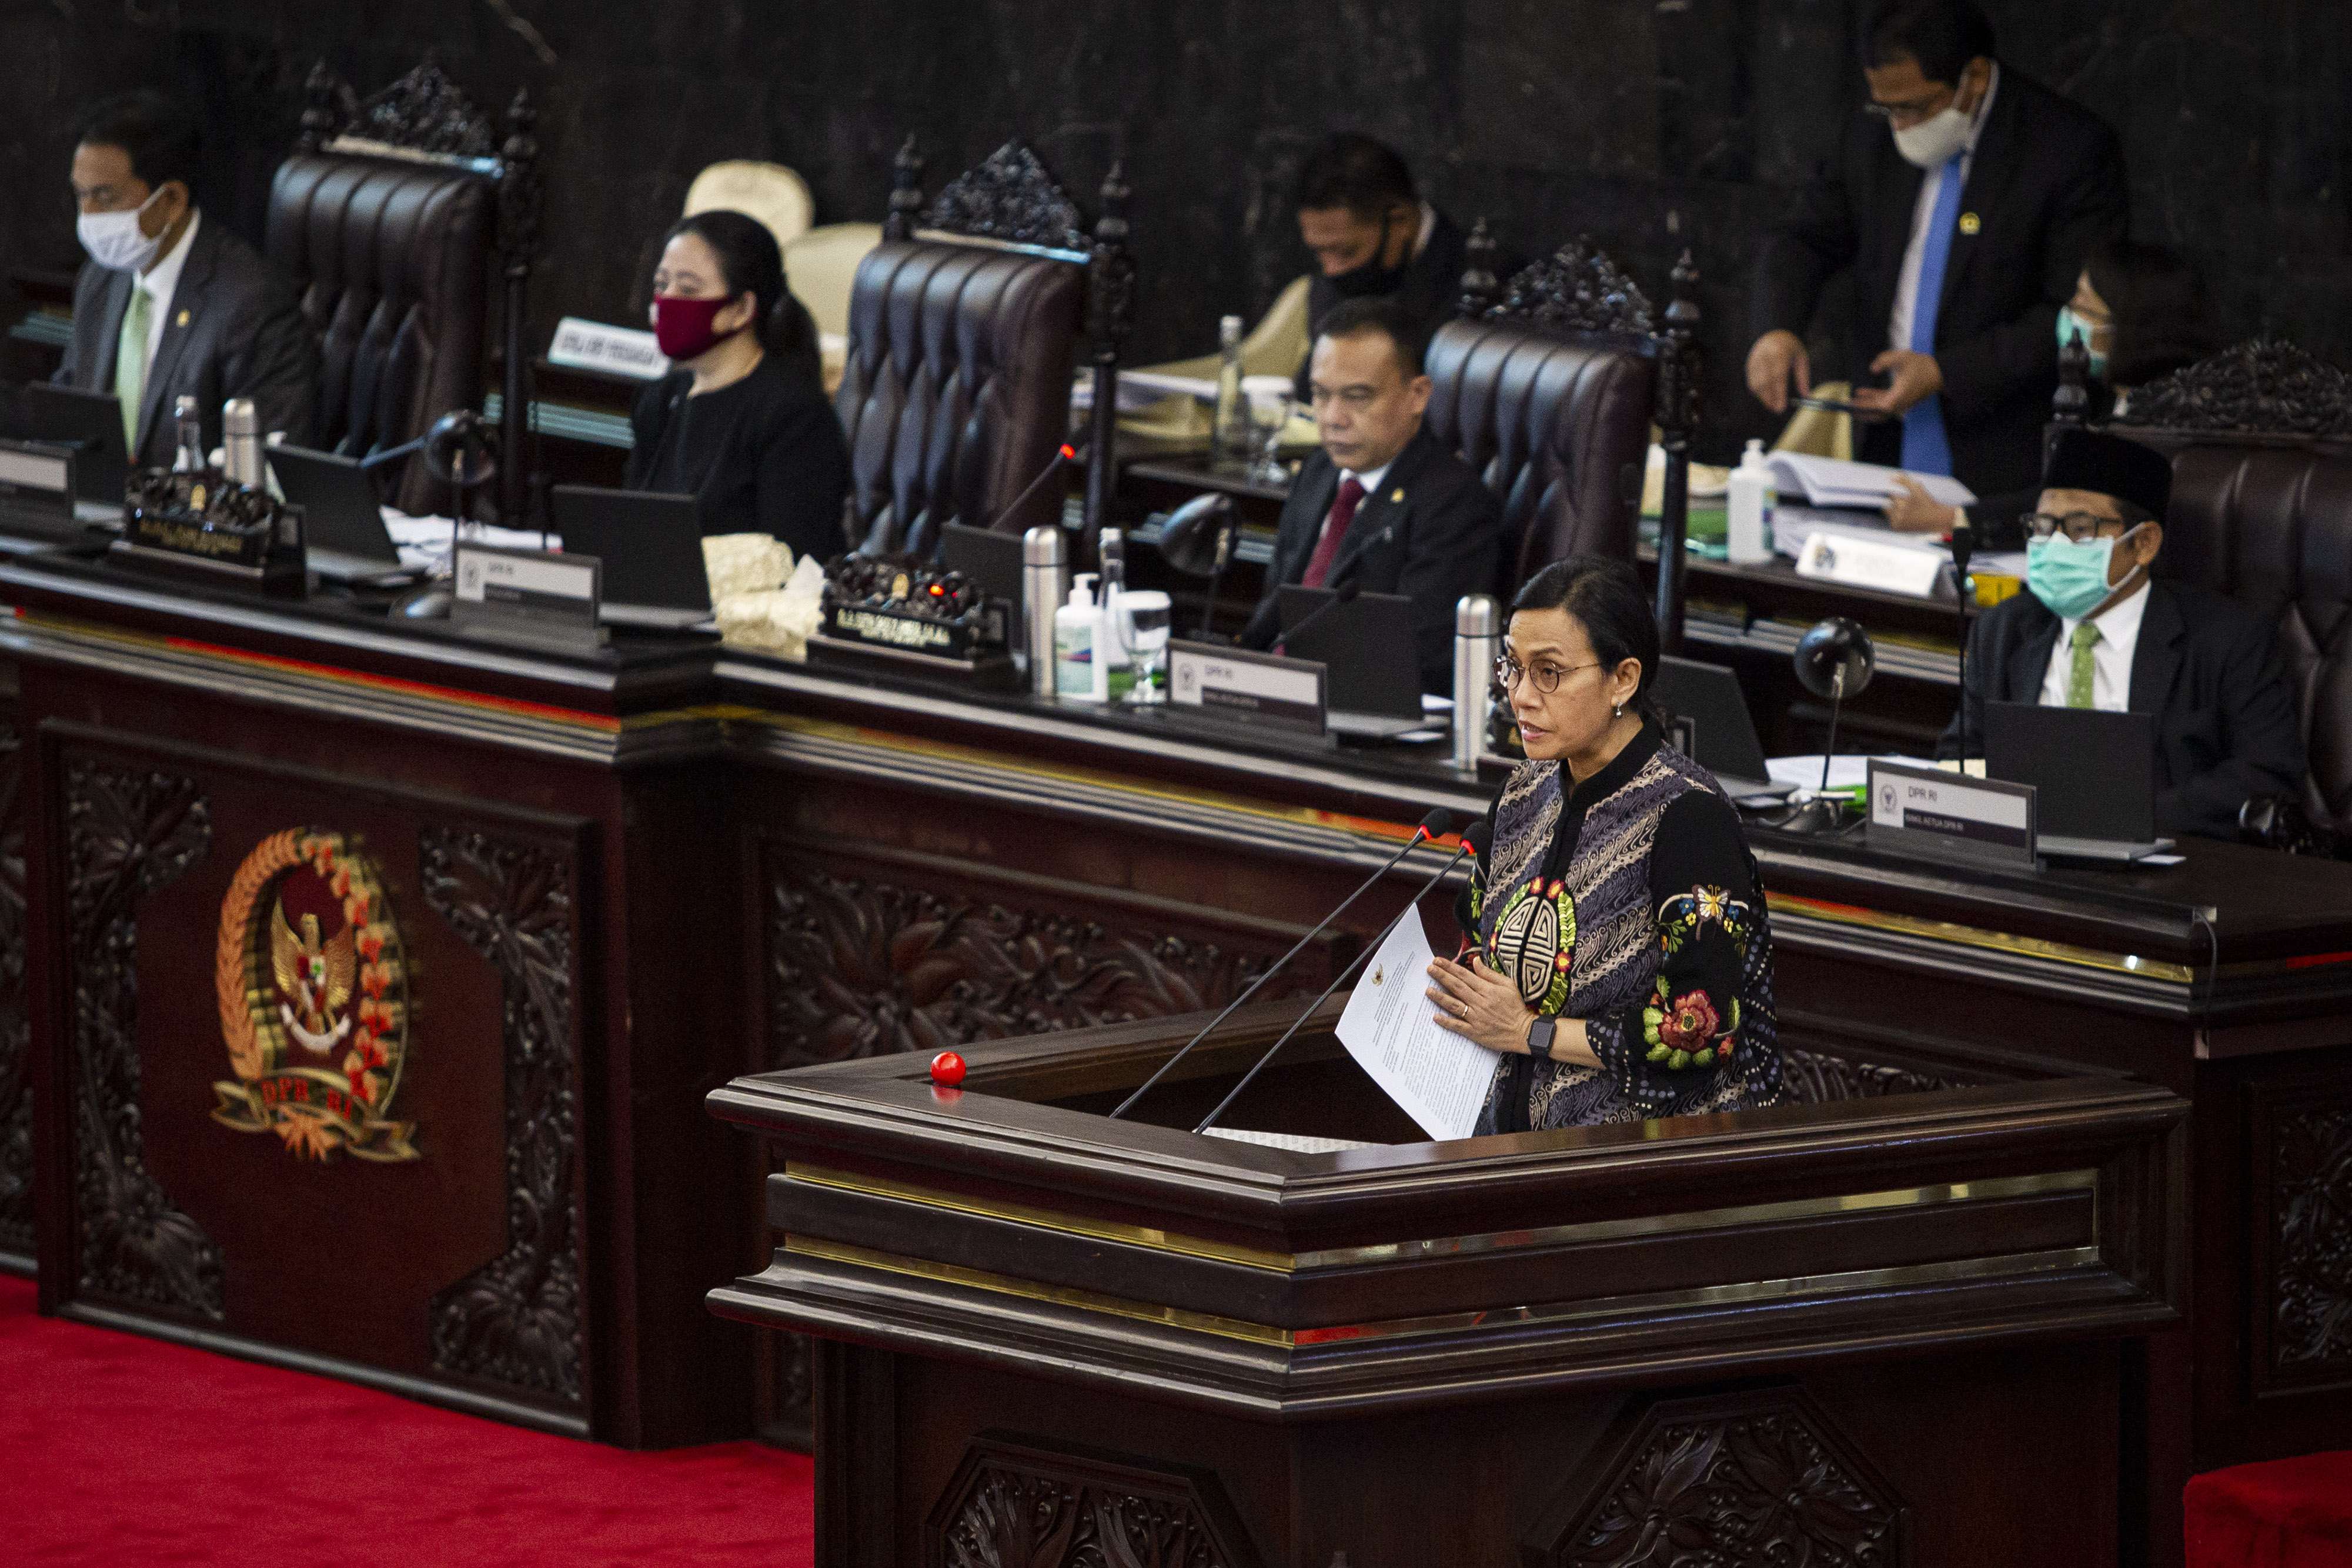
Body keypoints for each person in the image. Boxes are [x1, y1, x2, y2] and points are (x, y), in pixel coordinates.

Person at [1427, 557, 1785, 1132]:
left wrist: (1527, 1032)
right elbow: (1476, 936)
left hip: (1639, 1164)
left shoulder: (1687, 816)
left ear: (1623, 679)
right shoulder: (1522, 792)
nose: (1520, 696)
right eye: (1513, 668)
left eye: (1549, 672)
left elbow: (1702, 1027)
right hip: (1501, 1149)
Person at [1747, 0, 2128, 500]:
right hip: (1881, 440)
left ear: (1973, 77)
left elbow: (2077, 317)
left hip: (2001, 453)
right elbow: (1804, 237)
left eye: (1914, 107)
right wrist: (1777, 327)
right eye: (1886, 107)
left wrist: (1948, 371)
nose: (1898, 126)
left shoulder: (2068, 150)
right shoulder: (1867, 132)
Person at [1938, 429, 2304, 838]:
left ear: (2144, 543)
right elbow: (1961, 753)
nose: (2054, 545)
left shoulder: (2229, 641)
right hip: (2021, 857)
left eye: (2080, 528)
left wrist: (2120, 820)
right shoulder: (2003, 629)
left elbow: (2265, 774)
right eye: (2042, 527)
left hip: (2161, 864)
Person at [1238, 297, 1499, 693]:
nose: (1333, 418)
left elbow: (1420, 657)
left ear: (1417, 396)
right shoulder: (1318, 471)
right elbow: (1274, 609)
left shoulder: (1453, 504)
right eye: (1321, 394)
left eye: (1357, 397)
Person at [1885, 242, 2212, 544]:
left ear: (2131, 327)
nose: (2069, 316)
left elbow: (2077, 502)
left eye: (2084, 307)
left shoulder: (2169, 418)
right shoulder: (2107, 400)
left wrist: (1951, 518)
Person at [55, 91, 317, 467]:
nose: (88, 216)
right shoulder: (100, 280)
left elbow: (270, 463)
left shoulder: (249, 302)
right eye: (80, 195)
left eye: (105, 197)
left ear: (172, 200)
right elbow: (68, 414)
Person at [624, 210, 848, 563]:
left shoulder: (794, 415)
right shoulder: (659, 399)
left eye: (688, 289)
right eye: (661, 285)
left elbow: (795, 560)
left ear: (742, 308)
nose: (666, 300)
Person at [1291, 135, 1468, 398]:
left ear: (1400, 221)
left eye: (1346, 251)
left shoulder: (1478, 282)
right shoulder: (1334, 277)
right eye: (1319, 251)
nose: (1330, 270)